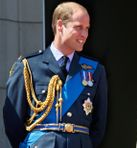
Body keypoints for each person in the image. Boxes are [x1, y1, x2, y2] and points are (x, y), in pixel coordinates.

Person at [3, 2, 108, 148]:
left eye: (87, 28)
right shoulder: (28, 67)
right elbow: (13, 122)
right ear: (60, 25)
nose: (85, 34)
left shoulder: (95, 70)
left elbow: (99, 125)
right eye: (78, 27)